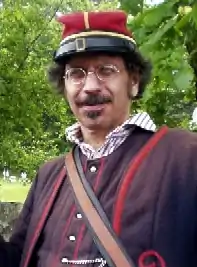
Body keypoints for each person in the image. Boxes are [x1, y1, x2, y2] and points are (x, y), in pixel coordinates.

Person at [0, 10, 197, 267]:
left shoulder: (186, 155)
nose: (90, 86)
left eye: (106, 70)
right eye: (76, 74)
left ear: (134, 81)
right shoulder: (49, 173)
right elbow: (16, 258)